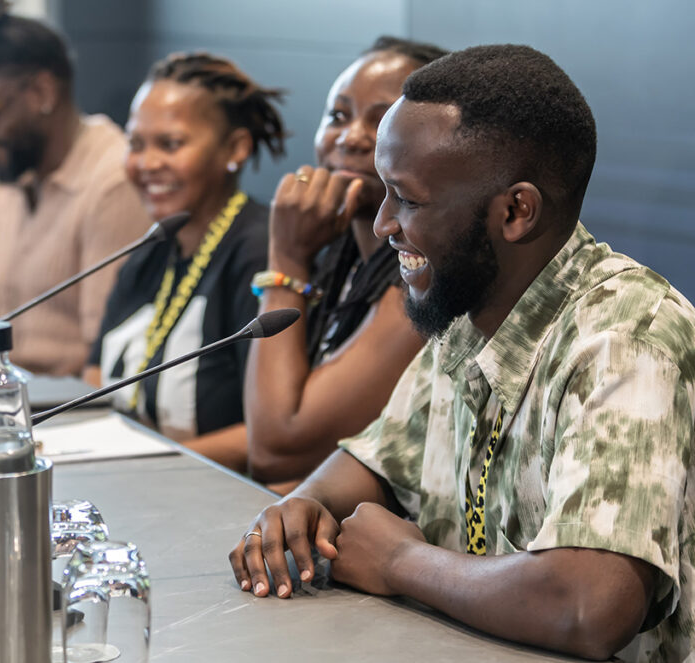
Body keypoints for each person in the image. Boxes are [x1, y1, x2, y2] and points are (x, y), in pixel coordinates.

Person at [229, 44, 695, 663]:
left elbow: (588, 605)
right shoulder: (469, 304)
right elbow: (376, 460)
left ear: (515, 211)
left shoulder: (625, 338)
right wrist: (303, 506)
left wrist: (401, 561)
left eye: (410, 200)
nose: (383, 224)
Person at [243, 37, 446, 489]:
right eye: (337, 115)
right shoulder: (341, 255)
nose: (351, 136)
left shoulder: (423, 274)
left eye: (381, 121)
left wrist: (287, 261)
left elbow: (276, 449)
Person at [0, 0, 151, 375]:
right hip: (1, 398)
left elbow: (104, 358)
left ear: (42, 93)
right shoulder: (14, 171)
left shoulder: (111, 182)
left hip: (65, 410)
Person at [83, 52, 286, 444]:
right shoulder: (155, 246)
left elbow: (266, 433)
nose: (147, 163)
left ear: (236, 149)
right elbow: (94, 372)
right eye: (136, 143)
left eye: (170, 144)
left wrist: (154, 462)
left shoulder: (261, 252)